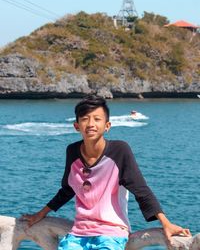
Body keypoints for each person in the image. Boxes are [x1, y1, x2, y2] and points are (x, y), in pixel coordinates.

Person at [21, 95, 191, 250]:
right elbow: (68, 189)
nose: (91, 124)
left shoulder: (119, 150)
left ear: (107, 126)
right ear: (76, 126)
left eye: (97, 119)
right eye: (85, 119)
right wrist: (40, 214)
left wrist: (165, 223)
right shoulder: (72, 152)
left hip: (112, 232)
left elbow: (140, 189)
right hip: (79, 233)